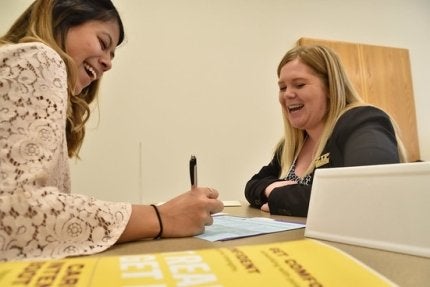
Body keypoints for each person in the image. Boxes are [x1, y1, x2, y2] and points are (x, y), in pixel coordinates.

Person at [0, 0, 223, 262]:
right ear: (61, 18)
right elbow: (15, 214)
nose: (108, 64)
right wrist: (162, 217)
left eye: (112, 54)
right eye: (103, 43)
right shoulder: (40, 57)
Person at [244, 45, 407, 217]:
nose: (287, 95)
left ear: (330, 88)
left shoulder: (362, 122)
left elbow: (369, 191)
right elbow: (253, 185)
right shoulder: (292, 145)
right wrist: (269, 187)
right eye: (282, 88)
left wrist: (279, 196)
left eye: (299, 85)